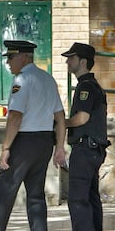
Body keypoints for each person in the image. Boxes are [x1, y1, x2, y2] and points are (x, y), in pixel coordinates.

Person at [0, 40, 66, 231]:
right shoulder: (48, 79)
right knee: (36, 193)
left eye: (11, 58)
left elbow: (15, 116)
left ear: (24, 58)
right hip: (44, 142)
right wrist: (60, 146)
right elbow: (60, 116)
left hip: (25, 142)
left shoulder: (21, 80)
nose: (8, 63)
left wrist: (6, 148)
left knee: (5, 189)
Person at [61, 42, 111, 231]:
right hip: (93, 149)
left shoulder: (86, 87)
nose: (67, 63)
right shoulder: (92, 85)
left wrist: (61, 122)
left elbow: (82, 118)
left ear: (82, 62)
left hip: (84, 149)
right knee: (91, 198)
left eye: (71, 58)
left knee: (78, 200)